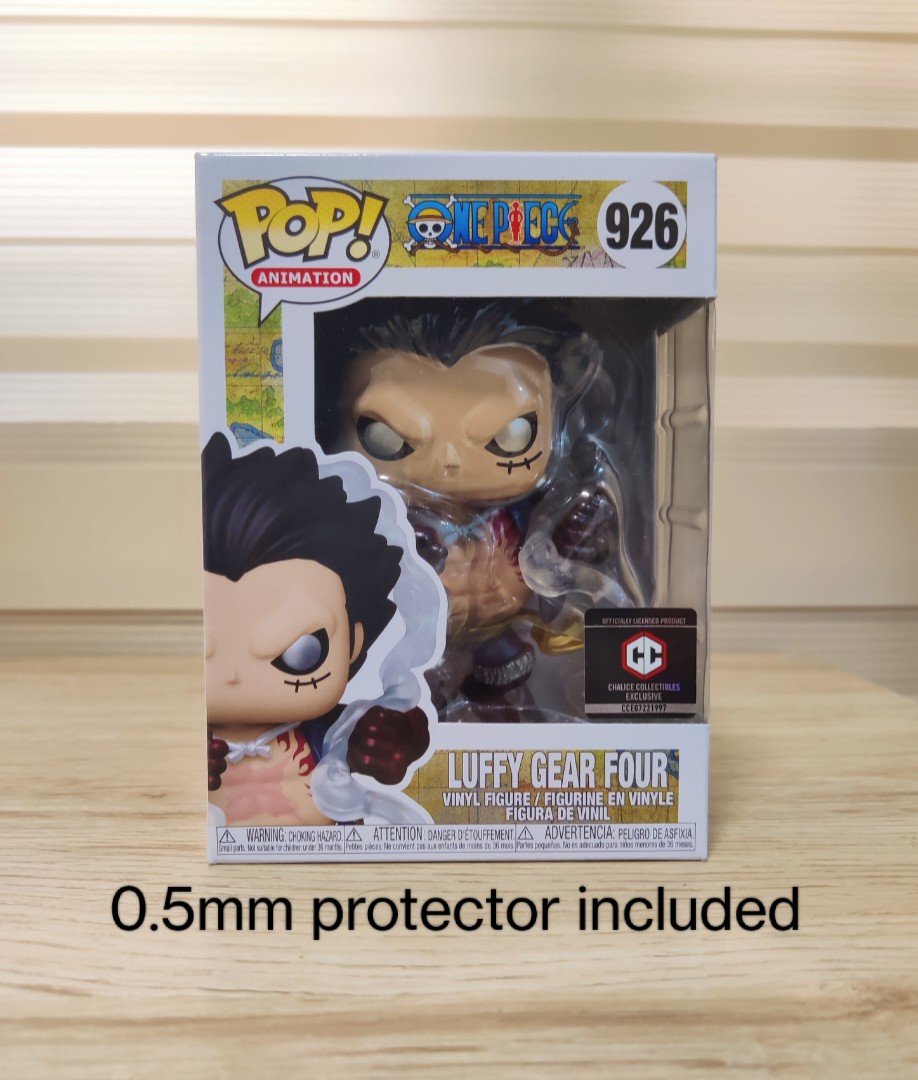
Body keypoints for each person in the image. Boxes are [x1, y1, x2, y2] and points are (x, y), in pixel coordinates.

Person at [315, 299, 645, 720]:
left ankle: (502, 726)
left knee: (505, 684)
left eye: (509, 436)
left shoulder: (517, 516)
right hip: (413, 644)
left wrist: (574, 539)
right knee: (410, 697)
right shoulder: (384, 522)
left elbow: (556, 572)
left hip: (500, 629)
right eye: (387, 437)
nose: (449, 461)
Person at [202, 431, 429, 825]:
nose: (234, 674)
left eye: (300, 652)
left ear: (354, 641)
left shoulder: (330, 734)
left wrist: (389, 737)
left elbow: (404, 736)